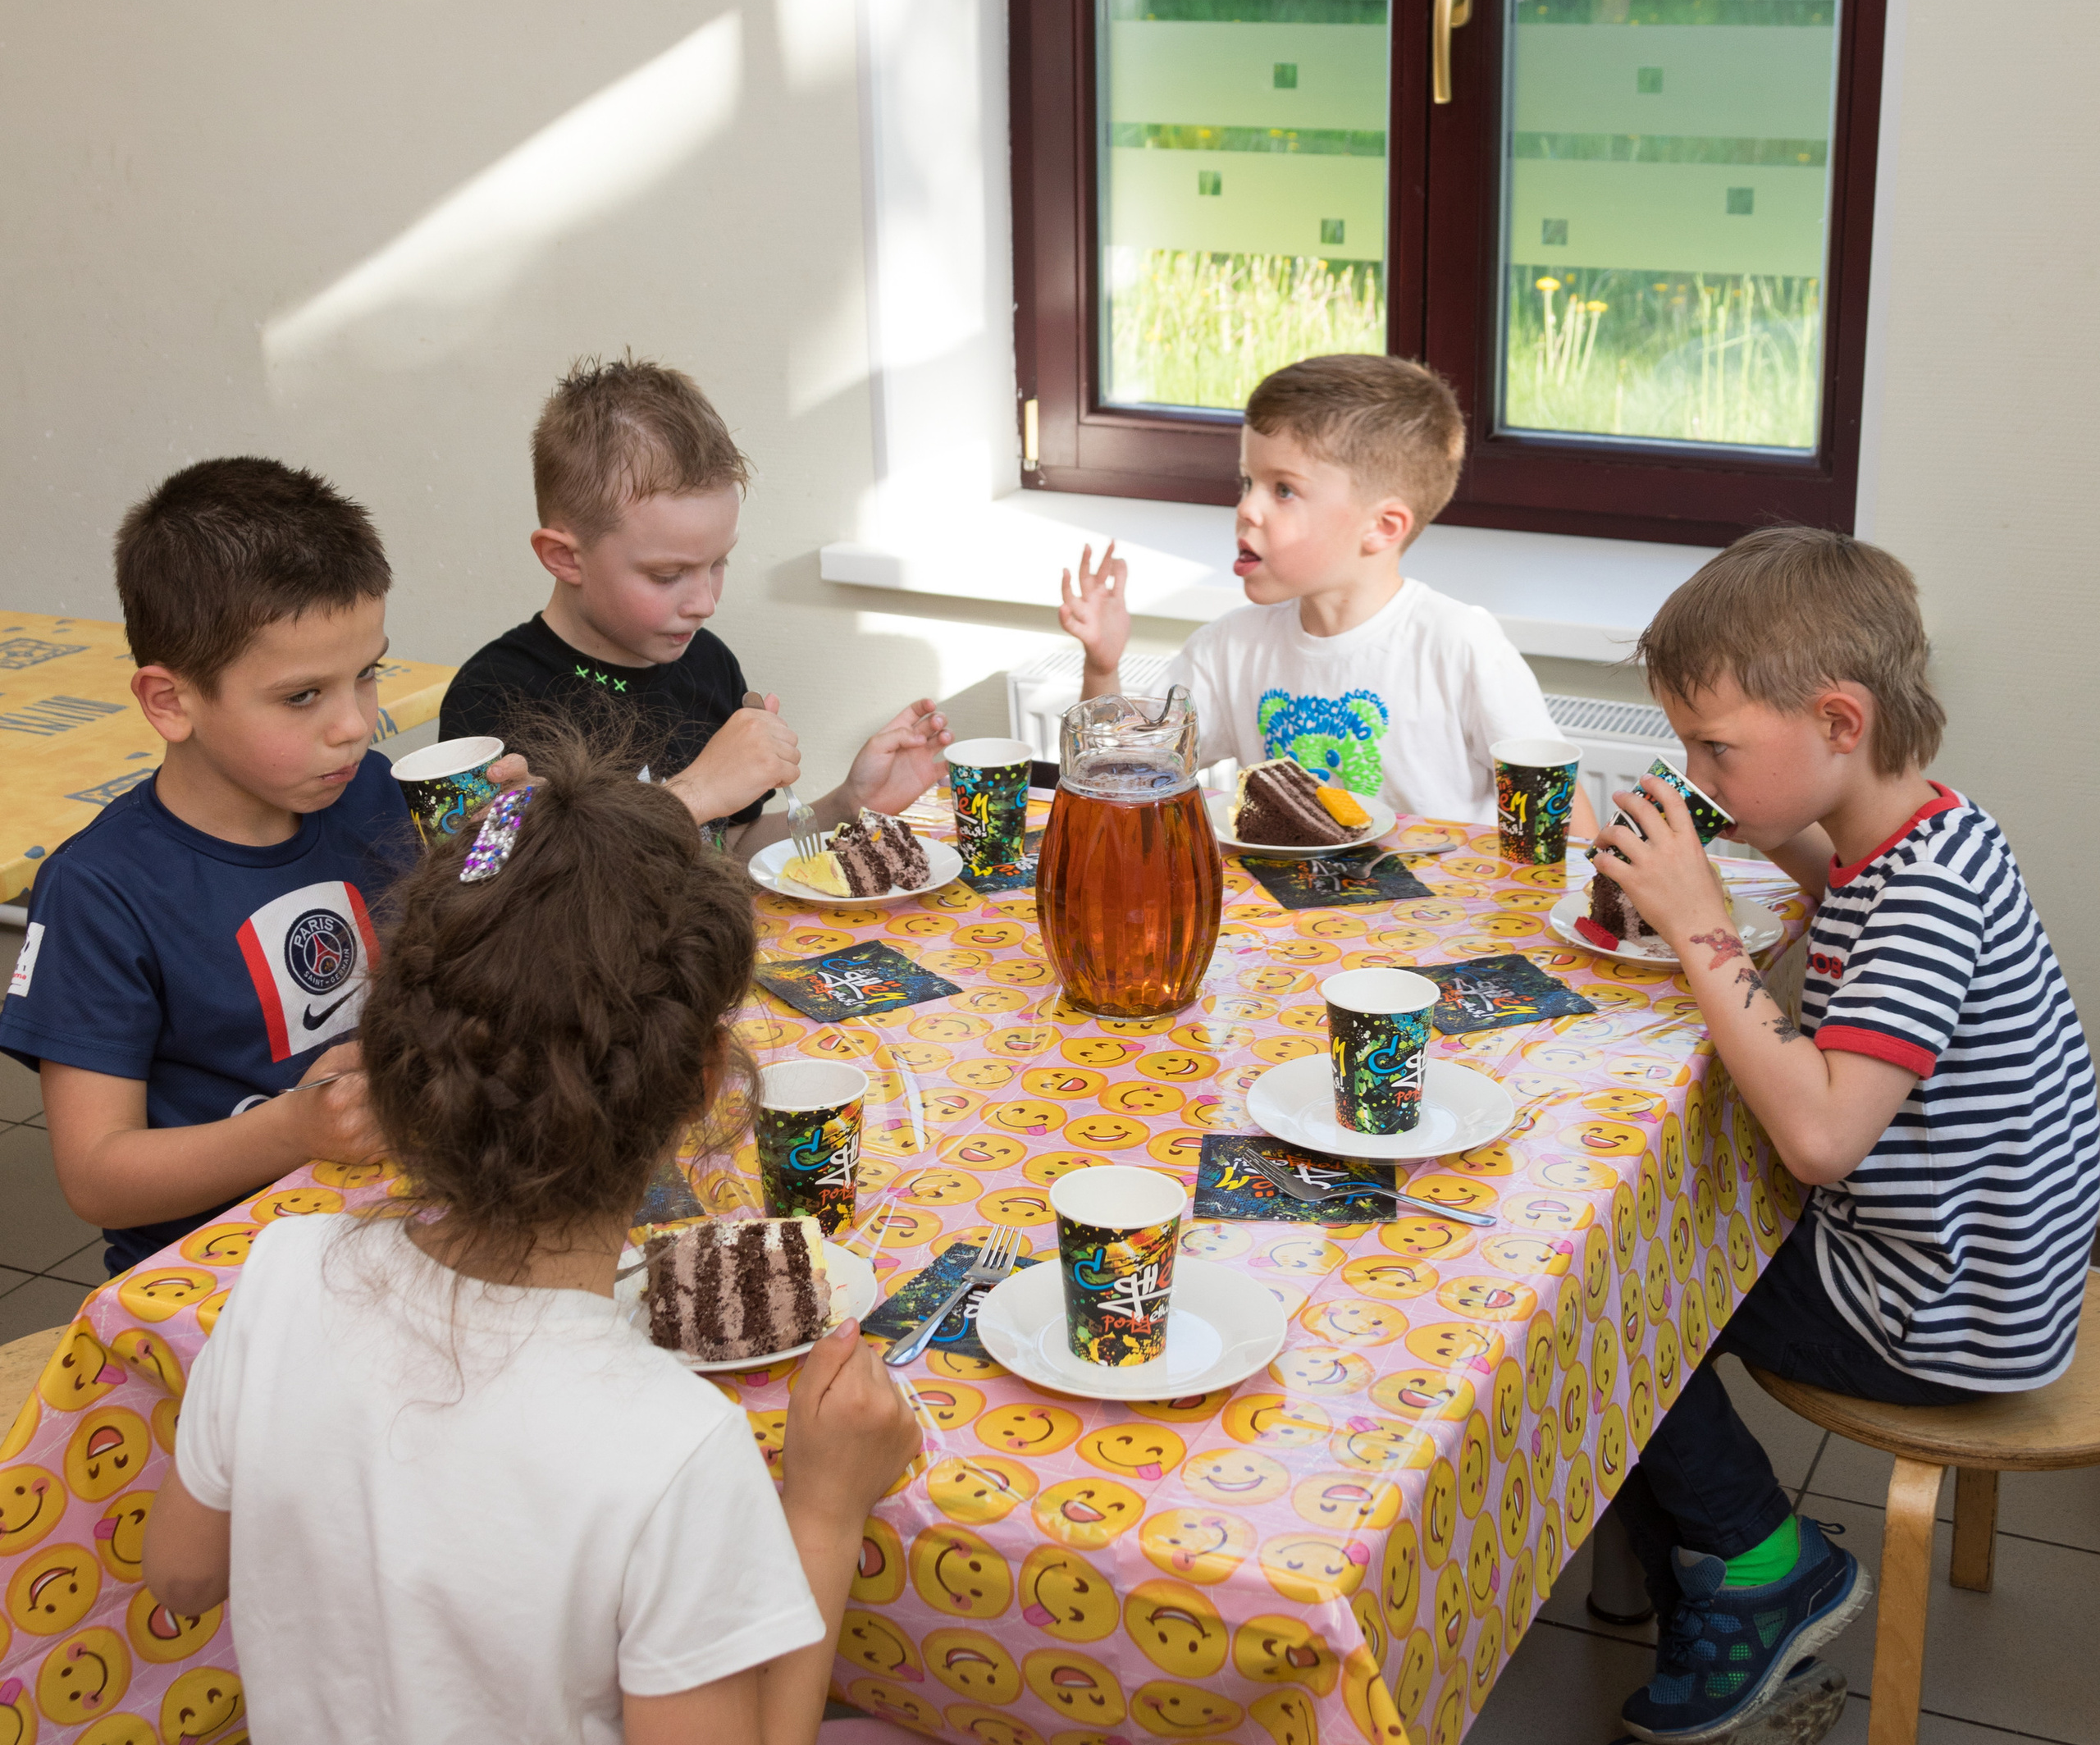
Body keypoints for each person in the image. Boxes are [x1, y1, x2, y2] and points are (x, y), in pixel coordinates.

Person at [140, 738, 1051, 1745]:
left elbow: (184, 1573)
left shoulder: (287, 1271)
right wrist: (821, 1507)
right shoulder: (666, 1443)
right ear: (708, 1089)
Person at [1586, 526, 2100, 1745]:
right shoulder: (1930, 831)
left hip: (1944, 1315)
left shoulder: (1928, 904)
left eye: (1715, 748)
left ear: (1837, 719)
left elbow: (1821, 1137)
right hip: (1982, 1262)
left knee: (1604, 1298)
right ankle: (1675, 1540)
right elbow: (1841, 891)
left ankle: (1764, 1564)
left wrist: (1703, 921)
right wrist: (1730, 851)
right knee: (1658, 1226)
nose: (1696, 772)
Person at [0, 458, 442, 1277]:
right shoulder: (99, 890)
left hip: (387, 1221)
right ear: (170, 701)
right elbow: (97, 1177)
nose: (354, 725)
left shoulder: (375, 795)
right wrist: (293, 1130)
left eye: (367, 673)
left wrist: (506, 837)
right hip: (215, 1274)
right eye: (302, 696)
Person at [1057, 349, 1596, 833]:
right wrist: (1103, 667)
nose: (1247, 507)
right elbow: (1128, 778)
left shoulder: (1459, 645)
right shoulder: (1228, 647)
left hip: (1443, 933)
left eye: (1283, 489)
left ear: (1383, 527)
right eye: (1248, 481)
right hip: (1285, 934)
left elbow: (1568, 822)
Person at [440, 354, 950, 860]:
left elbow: (730, 845)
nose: (705, 603)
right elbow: (500, 888)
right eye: (667, 575)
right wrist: (698, 792)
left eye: (718, 563)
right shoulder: (492, 698)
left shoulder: (707, 664)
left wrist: (847, 804)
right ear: (564, 558)